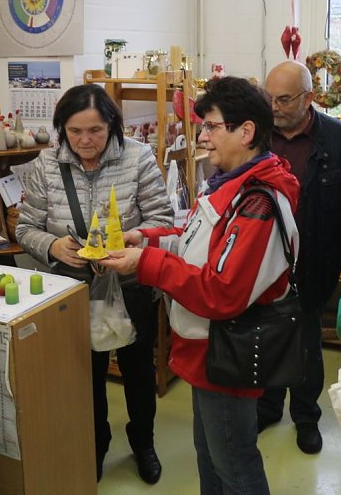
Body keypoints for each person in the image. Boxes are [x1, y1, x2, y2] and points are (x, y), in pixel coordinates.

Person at [102, 76, 300, 494]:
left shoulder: (258, 204)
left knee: (234, 465)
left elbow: (221, 291)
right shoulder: (231, 189)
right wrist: (149, 239)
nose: (203, 137)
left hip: (226, 354)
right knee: (210, 456)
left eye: (211, 126)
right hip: (206, 352)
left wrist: (147, 262)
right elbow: (199, 246)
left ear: (245, 132)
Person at [15, 84, 173, 484]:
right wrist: (52, 246)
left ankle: (143, 443)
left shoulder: (138, 158)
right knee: (86, 376)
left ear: (112, 126)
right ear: (61, 129)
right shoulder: (46, 165)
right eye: (75, 131)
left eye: (96, 131)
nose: (86, 141)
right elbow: (25, 228)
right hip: (70, 290)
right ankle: (96, 444)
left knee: (138, 372)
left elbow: (164, 223)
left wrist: (131, 245)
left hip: (131, 286)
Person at [257, 60, 341, 454]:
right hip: (264, 259)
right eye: (268, 97)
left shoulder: (338, 140)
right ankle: (270, 405)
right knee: (269, 334)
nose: (274, 106)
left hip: (316, 258)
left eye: (284, 99)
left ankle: (306, 416)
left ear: (309, 98)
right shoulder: (255, 136)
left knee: (306, 339)